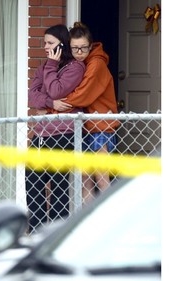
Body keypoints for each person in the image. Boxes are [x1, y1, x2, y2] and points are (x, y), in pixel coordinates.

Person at [49, 22, 120, 205]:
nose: (79, 52)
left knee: (102, 181)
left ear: (91, 45)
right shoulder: (80, 64)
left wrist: (53, 107)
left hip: (100, 128)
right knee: (85, 182)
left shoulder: (96, 64)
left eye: (83, 48)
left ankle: (110, 224)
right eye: (75, 48)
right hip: (85, 128)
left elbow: (83, 95)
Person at [26, 24, 86, 233]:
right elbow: (32, 96)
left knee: (59, 186)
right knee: (33, 183)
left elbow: (56, 88)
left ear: (62, 44)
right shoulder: (44, 67)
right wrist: (51, 103)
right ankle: (36, 231)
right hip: (40, 134)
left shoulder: (75, 68)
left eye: (50, 43)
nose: (45, 47)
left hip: (62, 134)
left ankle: (55, 234)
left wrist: (52, 65)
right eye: (44, 43)